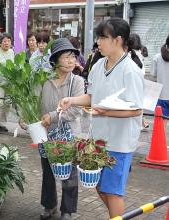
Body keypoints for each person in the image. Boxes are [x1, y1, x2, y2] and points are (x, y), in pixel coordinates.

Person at [59, 18, 144, 219]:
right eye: (98, 37)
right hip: (98, 140)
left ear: (118, 40)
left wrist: (105, 112)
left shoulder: (131, 70)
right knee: (97, 184)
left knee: (113, 192)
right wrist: (71, 100)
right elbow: (92, 97)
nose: (98, 42)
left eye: (103, 37)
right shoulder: (98, 66)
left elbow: (136, 110)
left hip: (120, 143)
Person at [32, 38, 84, 220]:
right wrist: (27, 119)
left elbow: (76, 111)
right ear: (55, 60)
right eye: (67, 57)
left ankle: (67, 210)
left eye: (73, 57)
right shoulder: (42, 80)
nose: (72, 61)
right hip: (46, 134)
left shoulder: (76, 81)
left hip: (69, 135)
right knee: (48, 171)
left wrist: (52, 116)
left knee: (69, 173)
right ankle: (49, 205)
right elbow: (33, 104)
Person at [151, 34, 169, 135]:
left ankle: (161, 147)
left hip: (162, 95)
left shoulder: (157, 57)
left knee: (162, 124)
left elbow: (153, 74)